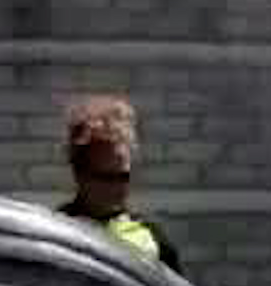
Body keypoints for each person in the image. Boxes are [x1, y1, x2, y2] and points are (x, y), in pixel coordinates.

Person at [57, 95, 185, 274]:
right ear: (79, 174)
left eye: (123, 176)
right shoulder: (56, 233)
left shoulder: (152, 239)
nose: (116, 188)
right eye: (105, 177)